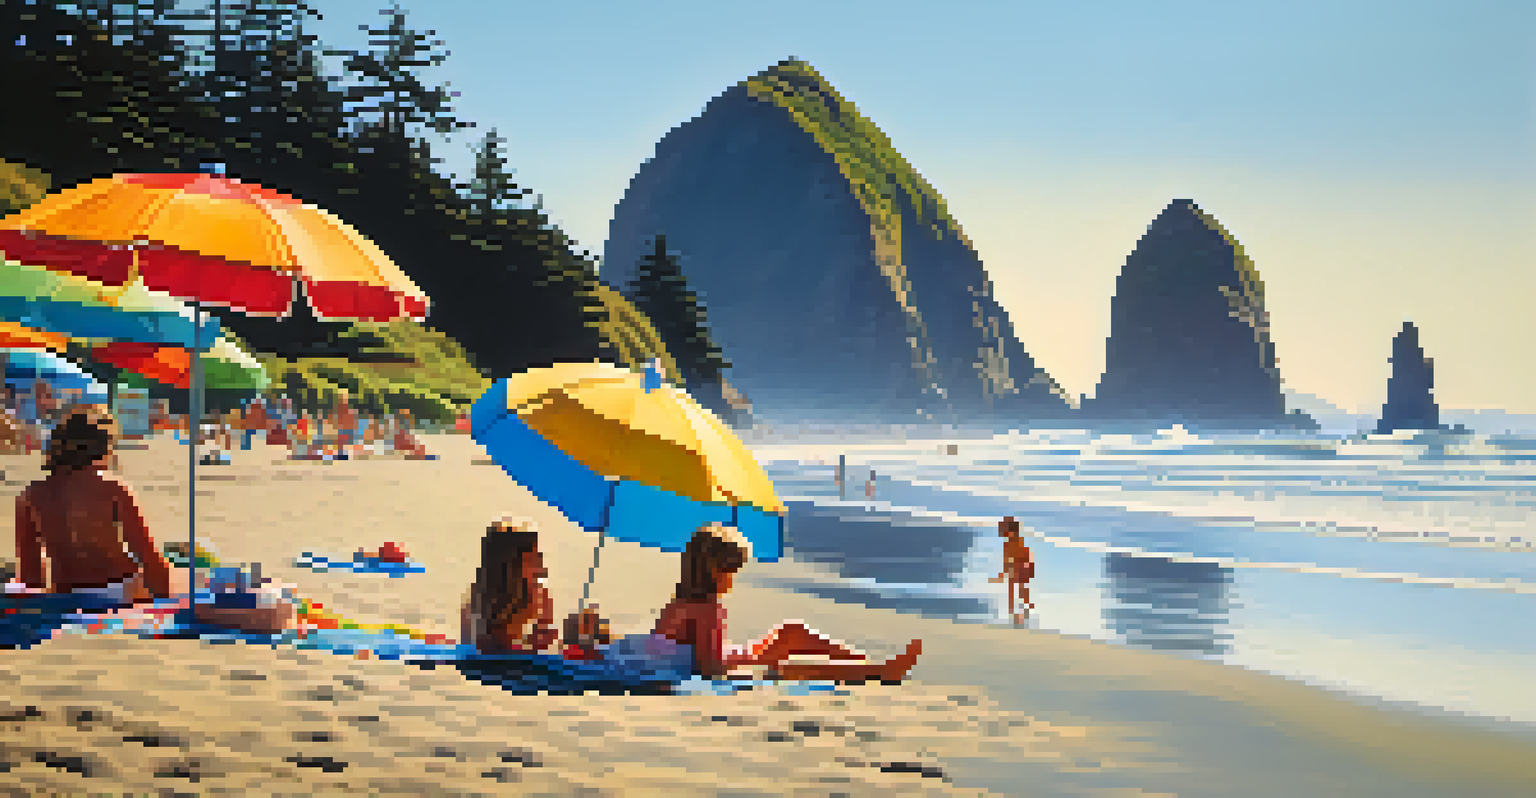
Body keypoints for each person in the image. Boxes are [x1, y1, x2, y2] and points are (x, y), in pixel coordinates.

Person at [638, 523, 922, 682]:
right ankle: (879, 671)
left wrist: (747, 652)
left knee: (792, 631)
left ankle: (867, 664)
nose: (733, 581)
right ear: (715, 572)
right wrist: (752, 661)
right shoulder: (707, 609)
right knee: (789, 665)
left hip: (723, 656)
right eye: (732, 572)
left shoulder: (682, 602)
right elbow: (708, 667)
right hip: (718, 665)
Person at [12, 411, 177, 604]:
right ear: (101, 448)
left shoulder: (30, 495)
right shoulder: (112, 488)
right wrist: (166, 604)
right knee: (181, 575)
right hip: (118, 590)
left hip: (67, 595)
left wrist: (41, 606)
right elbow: (147, 556)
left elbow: (30, 570)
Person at [460, 517, 559, 653]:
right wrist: (534, 645)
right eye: (534, 557)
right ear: (512, 564)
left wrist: (543, 625)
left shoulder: (533, 594)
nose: (539, 562)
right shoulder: (481, 598)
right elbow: (486, 651)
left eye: (539, 556)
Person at [990, 516, 1035, 624]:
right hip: (1020, 565)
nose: (1001, 531)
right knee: (1016, 587)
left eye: (1002, 529)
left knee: (1020, 587)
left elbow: (1019, 556)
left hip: (1022, 565)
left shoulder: (1014, 541)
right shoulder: (1011, 542)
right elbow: (1008, 559)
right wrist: (1006, 571)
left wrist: (1008, 570)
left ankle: (1023, 610)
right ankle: (1017, 611)